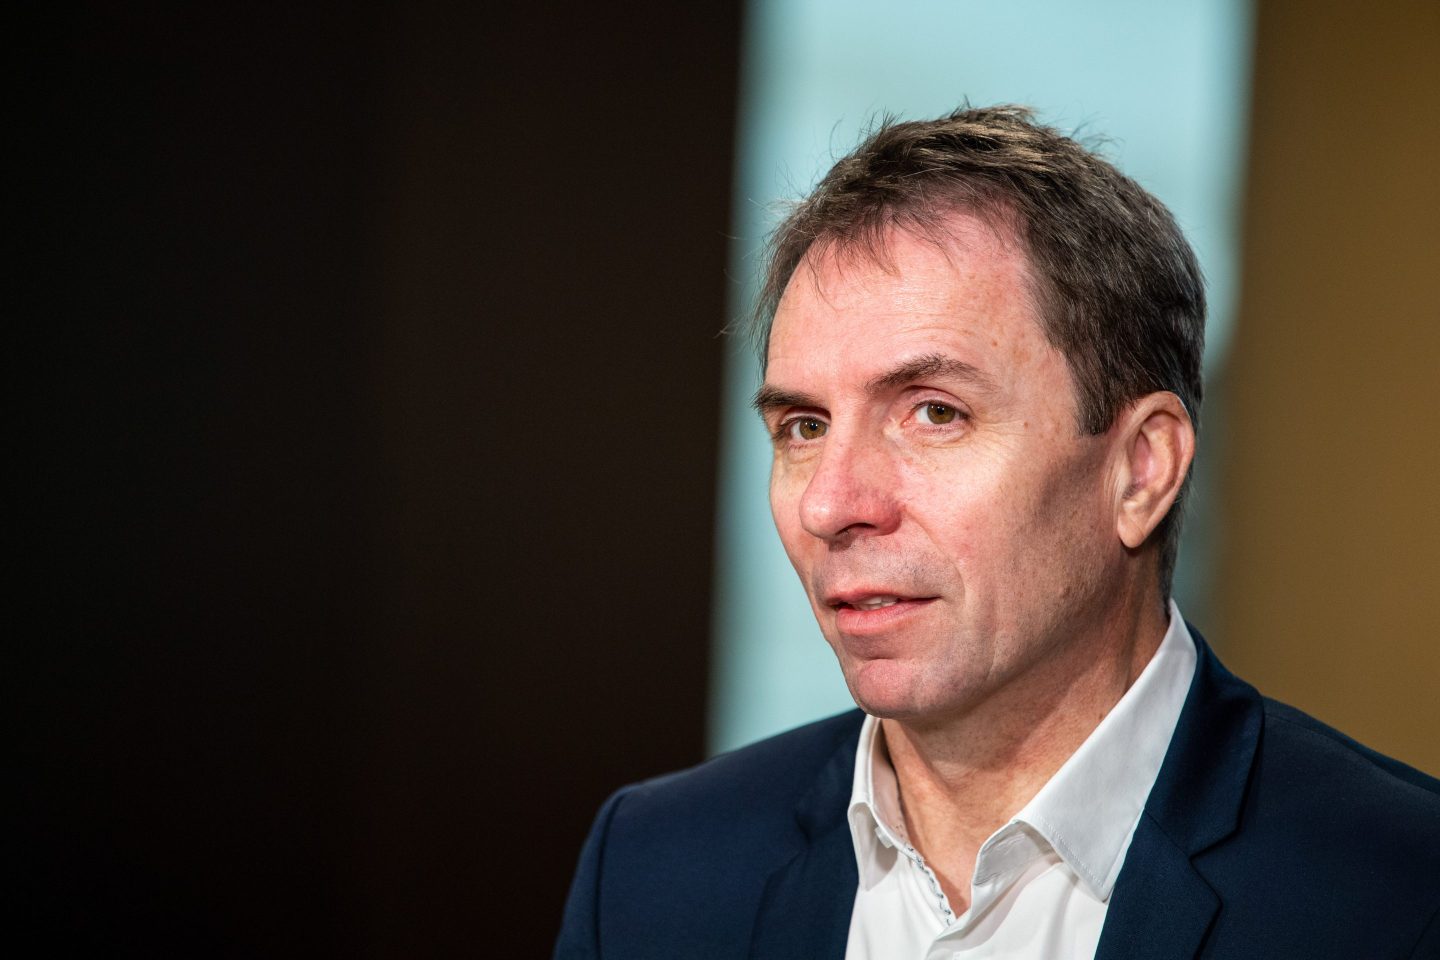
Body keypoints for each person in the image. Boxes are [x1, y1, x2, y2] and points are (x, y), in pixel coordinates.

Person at [553, 105, 1440, 959]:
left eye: (935, 412)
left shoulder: (1401, 896)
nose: (830, 504)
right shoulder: (654, 869)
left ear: (1141, 470)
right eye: (804, 427)